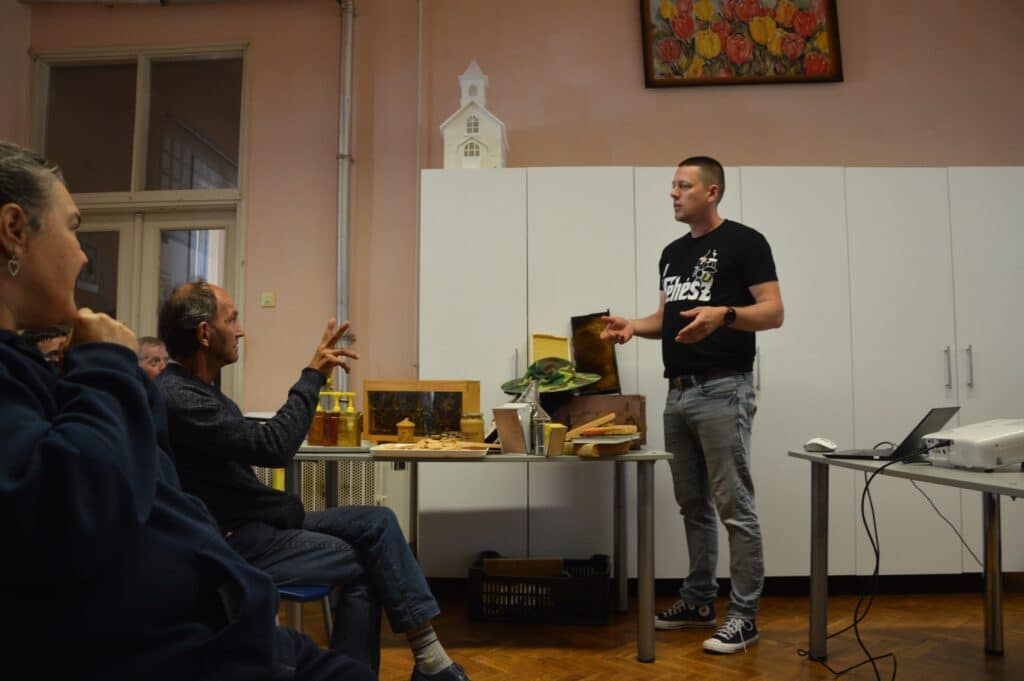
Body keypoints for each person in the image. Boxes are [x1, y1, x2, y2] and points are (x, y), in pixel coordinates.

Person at [0, 140, 374, 681]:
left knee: (374, 528)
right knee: (370, 543)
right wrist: (106, 365)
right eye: (73, 228)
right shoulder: (172, 392)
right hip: (180, 641)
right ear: (14, 228)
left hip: (214, 619)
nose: (82, 255)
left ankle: (428, 654)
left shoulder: (43, 371)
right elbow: (78, 508)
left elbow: (144, 481)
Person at [155, 281, 469, 681]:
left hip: (262, 526)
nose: (241, 330)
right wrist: (313, 375)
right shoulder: (178, 397)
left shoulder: (199, 392)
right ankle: (424, 663)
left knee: (378, 521)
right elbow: (273, 446)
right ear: (204, 333)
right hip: (237, 543)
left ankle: (427, 662)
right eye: (232, 319)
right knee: (368, 563)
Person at [601, 156, 784, 655]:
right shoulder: (672, 253)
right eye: (673, 186)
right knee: (693, 505)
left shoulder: (746, 242)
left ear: (712, 191)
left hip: (724, 389)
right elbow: (667, 317)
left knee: (734, 506)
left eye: (683, 186)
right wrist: (633, 326)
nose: (673, 194)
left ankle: (743, 617)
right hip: (677, 393)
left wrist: (724, 315)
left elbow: (773, 312)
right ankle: (700, 600)